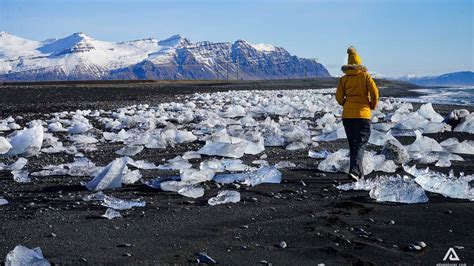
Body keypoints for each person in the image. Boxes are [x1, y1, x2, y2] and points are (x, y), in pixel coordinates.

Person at [336, 46, 379, 181]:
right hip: (363, 115)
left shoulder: (344, 79)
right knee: (360, 144)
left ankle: (358, 173)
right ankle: (355, 171)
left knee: (353, 144)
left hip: (348, 116)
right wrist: (372, 105)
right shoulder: (366, 77)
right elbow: (375, 93)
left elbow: (338, 97)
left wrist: (345, 103)